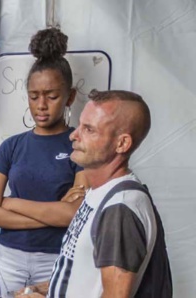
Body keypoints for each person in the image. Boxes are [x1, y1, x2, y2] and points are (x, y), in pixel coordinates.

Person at [19, 91, 172, 298]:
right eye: (80, 125)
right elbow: (86, 276)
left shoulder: (120, 207)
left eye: (89, 129)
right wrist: (44, 289)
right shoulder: (100, 192)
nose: (74, 135)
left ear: (122, 143)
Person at [0, 28, 88, 298]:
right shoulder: (11, 146)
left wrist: (10, 203)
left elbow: (72, 215)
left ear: (70, 96)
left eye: (52, 96)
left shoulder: (79, 147)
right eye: (34, 95)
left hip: (55, 260)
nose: (41, 105)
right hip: (8, 259)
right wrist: (52, 216)